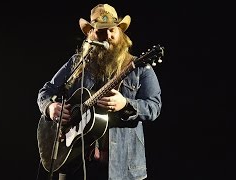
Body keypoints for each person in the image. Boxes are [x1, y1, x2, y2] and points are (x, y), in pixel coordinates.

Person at [36, 3, 162, 180]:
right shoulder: (76, 63)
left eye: (112, 30)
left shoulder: (140, 67)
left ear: (120, 33)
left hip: (122, 165)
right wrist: (50, 107)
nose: (108, 36)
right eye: (101, 31)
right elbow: (46, 91)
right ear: (91, 34)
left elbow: (154, 107)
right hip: (75, 161)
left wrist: (126, 104)